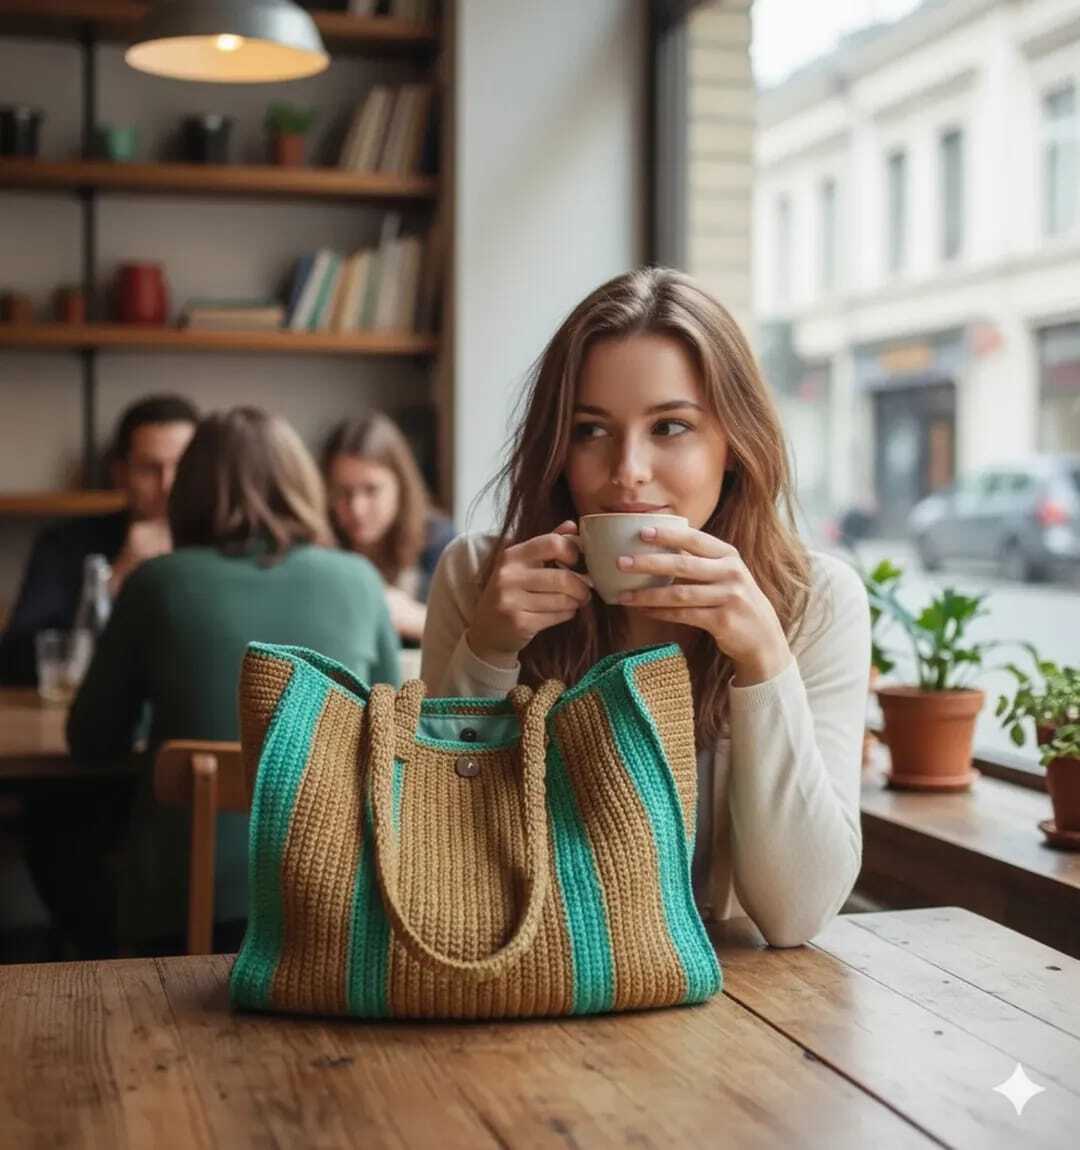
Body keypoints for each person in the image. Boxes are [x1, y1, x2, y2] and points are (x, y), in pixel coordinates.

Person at [421, 268, 870, 948]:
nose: (627, 469)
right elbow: (432, 857)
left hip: (728, 1011)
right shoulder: (478, 578)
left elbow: (796, 915)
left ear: (735, 447)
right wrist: (486, 655)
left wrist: (764, 659)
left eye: (670, 426)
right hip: (515, 984)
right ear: (558, 449)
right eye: (591, 431)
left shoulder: (815, 602)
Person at [63, 407, 401, 955]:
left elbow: (91, 742)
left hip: (183, 908)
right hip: (337, 901)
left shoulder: (156, 583)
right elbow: (391, 743)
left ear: (189, 490)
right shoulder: (360, 582)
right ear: (300, 484)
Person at [0, 394, 198, 685]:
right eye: (148, 468)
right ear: (120, 472)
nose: (167, 484)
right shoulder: (65, 544)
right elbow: (14, 661)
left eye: (182, 466)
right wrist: (116, 579)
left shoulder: (226, 545)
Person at [323, 413, 455, 644]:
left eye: (371, 490)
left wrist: (412, 617)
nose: (357, 508)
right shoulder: (321, 541)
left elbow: (468, 637)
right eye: (343, 492)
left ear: (401, 486)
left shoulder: (439, 541)